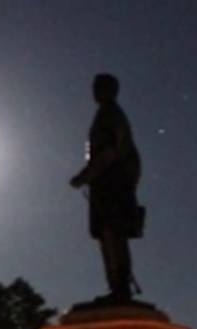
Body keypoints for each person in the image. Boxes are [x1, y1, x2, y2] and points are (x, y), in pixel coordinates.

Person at [69, 72, 144, 301]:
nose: (94, 91)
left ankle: (120, 287)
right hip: (106, 184)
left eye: (98, 86)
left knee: (113, 233)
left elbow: (109, 152)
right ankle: (116, 286)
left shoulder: (110, 115)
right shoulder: (106, 114)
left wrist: (85, 175)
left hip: (113, 184)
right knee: (106, 235)